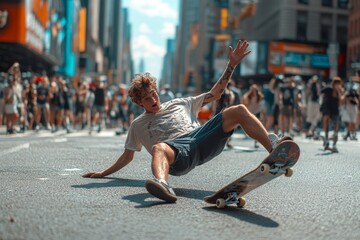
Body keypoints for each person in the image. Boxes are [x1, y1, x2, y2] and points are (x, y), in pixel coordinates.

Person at [82, 40, 291, 203]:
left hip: (202, 138)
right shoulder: (138, 124)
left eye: (153, 94)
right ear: (139, 102)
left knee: (238, 110)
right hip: (178, 154)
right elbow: (127, 156)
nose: (153, 99)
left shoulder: (181, 102)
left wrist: (232, 65)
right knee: (158, 148)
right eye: (147, 98)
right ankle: (162, 185)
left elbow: (215, 93)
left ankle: (274, 151)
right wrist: (103, 174)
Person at [320, 77, 343, 152]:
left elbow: (340, 103)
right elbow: (319, 93)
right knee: (326, 120)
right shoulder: (328, 89)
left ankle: (334, 143)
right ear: (334, 84)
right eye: (337, 84)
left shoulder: (339, 91)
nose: (338, 86)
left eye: (339, 84)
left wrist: (339, 93)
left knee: (337, 124)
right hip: (327, 108)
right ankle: (326, 139)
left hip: (335, 109)